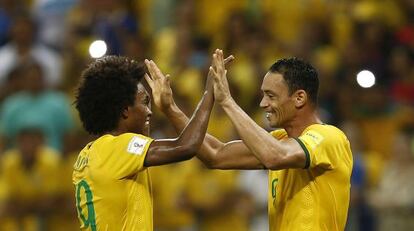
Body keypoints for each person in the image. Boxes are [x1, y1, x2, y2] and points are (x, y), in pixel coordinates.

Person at [145, 49, 353, 230]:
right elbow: (215, 155)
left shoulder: (330, 138)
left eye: (271, 96)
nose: (263, 103)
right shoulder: (279, 140)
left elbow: (275, 157)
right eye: (263, 95)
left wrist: (227, 101)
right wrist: (170, 109)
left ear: (299, 98)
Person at [72, 55, 217, 230]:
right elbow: (186, 146)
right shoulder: (118, 147)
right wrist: (209, 92)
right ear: (125, 110)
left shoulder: (88, 154)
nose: (150, 112)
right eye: (145, 103)